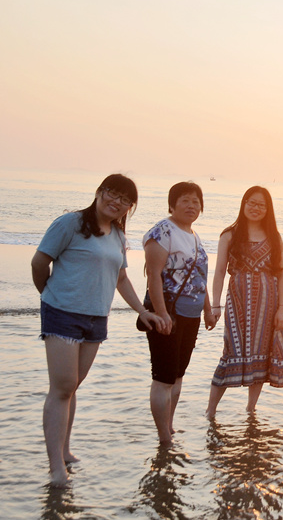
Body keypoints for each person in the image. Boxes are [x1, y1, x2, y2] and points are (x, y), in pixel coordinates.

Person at [32, 174, 163, 486]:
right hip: (62, 313)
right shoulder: (71, 223)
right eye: (112, 194)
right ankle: (56, 468)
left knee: (72, 387)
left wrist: (143, 310)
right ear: (100, 192)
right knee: (62, 387)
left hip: (96, 318)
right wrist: (50, 295)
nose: (116, 202)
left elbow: (121, 279)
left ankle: (65, 451)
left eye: (125, 200)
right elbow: (39, 263)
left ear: (130, 207)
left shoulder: (117, 235)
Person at [205, 186, 283, 418]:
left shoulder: (274, 237)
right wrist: (215, 305)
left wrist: (282, 309)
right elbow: (219, 272)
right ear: (243, 204)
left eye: (261, 204)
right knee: (230, 352)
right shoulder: (229, 235)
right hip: (238, 302)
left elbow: (282, 275)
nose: (255, 208)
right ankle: (210, 410)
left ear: (268, 209)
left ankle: (251, 409)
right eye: (251, 202)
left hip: (268, 305)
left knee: (263, 354)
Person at [143, 181, 216, 445]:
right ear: (172, 204)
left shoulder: (194, 236)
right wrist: (162, 314)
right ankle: (163, 436)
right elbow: (153, 276)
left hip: (191, 315)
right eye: (185, 200)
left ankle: (169, 426)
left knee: (177, 375)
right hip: (168, 313)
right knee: (163, 378)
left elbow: (199, 278)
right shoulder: (163, 231)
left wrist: (208, 310)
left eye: (196, 201)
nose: (191, 205)